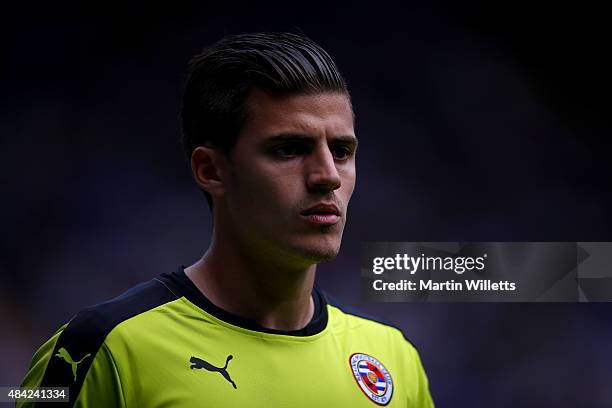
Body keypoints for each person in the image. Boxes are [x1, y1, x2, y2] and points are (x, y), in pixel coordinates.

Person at [19, 32, 434, 407]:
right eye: (289, 149)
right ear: (212, 170)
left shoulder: (394, 359)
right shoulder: (99, 349)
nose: (327, 175)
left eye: (342, 151)